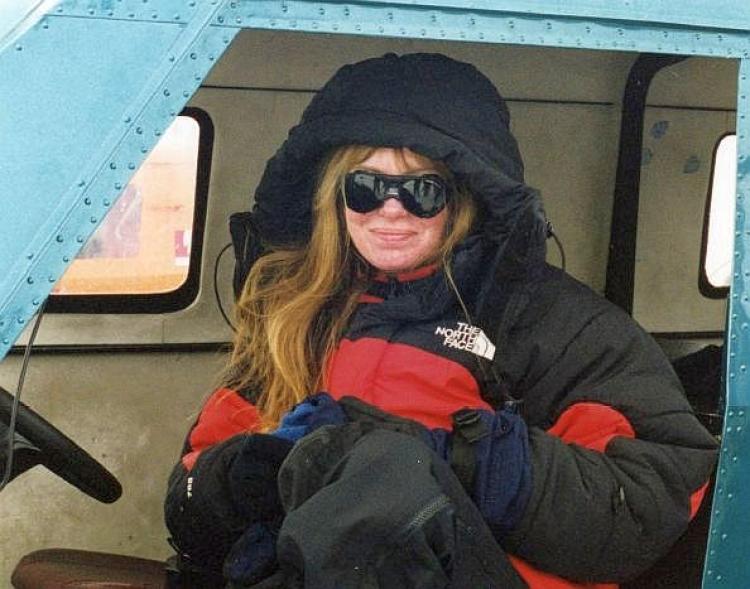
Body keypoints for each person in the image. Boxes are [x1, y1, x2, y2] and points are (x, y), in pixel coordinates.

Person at [164, 53, 718, 588]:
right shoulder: (298, 312)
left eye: (422, 191)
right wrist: (245, 476)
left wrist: (457, 458)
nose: (391, 210)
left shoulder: (558, 324)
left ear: (465, 199)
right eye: (366, 187)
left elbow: (646, 501)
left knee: (387, 473)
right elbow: (187, 504)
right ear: (336, 196)